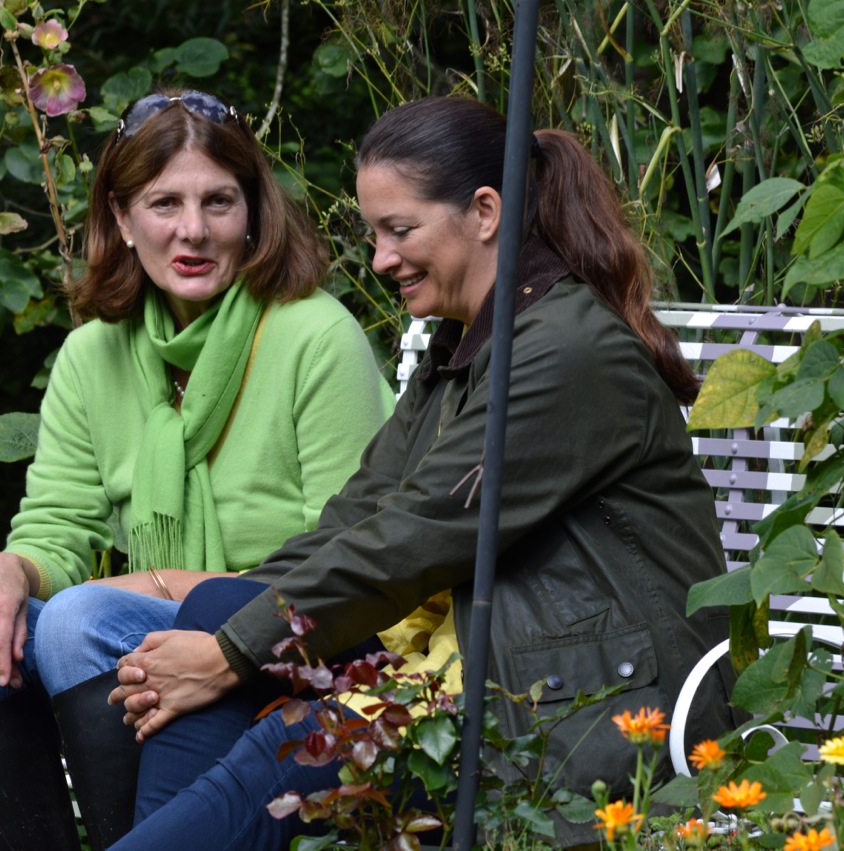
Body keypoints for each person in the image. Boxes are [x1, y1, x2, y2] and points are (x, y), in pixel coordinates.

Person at [101, 95, 738, 850]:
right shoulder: (465, 348)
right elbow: (356, 519)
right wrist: (228, 636)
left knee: (283, 747)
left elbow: (414, 536)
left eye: (399, 231)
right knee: (216, 611)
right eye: (375, 234)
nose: (380, 259)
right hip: (469, 668)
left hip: (588, 705)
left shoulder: (565, 353)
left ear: (484, 212)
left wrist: (232, 655)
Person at [0, 89, 393, 850]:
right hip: (168, 626)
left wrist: (163, 585)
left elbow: (350, 553)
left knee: (79, 621)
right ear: (121, 217)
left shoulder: (316, 336)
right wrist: (8, 566)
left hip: (292, 631)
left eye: (219, 201)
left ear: (254, 211)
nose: (193, 230)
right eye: (164, 202)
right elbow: (58, 525)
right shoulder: (93, 353)